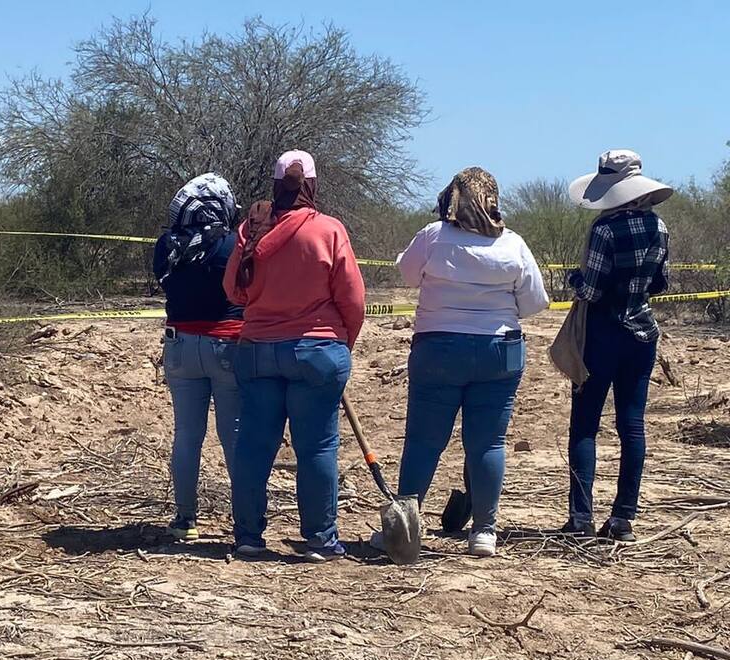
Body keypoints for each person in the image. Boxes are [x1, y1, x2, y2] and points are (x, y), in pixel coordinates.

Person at [395, 168, 550, 558]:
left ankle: (403, 531)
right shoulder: (513, 244)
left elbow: (408, 275)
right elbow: (535, 302)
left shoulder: (433, 236)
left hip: (438, 348)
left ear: (453, 198)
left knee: (424, 441)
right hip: (500, 351)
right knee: (488, 442)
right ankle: (484, 532)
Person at [223, 150, 365, 562]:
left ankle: (248, 537)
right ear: (312, 185)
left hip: (257, 352)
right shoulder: (328, 230)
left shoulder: (251, 229)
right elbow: (353, 299)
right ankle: (320, 539)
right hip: (317, 353)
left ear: (275, 184)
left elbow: (233, 290)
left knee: (254, 445)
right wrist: (342, 344)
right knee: (317, 447)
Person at [562, 150, 673, 543]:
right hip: (642, 334)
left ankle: (581, 519)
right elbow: (661, 284)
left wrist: (575, 280)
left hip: (601, 335)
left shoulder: (604, 230)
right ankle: (623, 519)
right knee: (632, 425)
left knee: (585, 425)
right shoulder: (659, 226)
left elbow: (591, 291)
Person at [153, 174, 242, 541]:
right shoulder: (233, 244)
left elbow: (164, 281)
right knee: (233, 435)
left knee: (187, 435)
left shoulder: (167, 245)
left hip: (180, 347)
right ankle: (245, 520)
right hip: (227, 347)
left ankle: (185, 519)